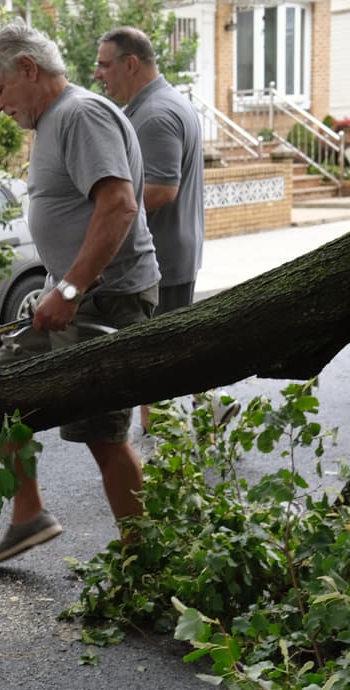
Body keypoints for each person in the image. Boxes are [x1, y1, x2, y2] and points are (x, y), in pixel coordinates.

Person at [0, 20, 159, 565]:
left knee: (102, 433)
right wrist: (61, 288)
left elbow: (119, 205)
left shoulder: (80, 115)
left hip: (108, 299)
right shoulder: (55, 121)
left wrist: (73, 288)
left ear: (28, 68)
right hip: (74, 296)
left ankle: (146, 557)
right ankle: (28, 513)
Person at [93, 27, 236, 436]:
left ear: (131, 63)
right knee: (169, 345)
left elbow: (161, 189)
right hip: (174, 250)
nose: (99, 74)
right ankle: (195, 414)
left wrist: (105, 209)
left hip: (163, 256)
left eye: (105, 65)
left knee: (160, 350)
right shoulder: (166, 103)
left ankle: (174, 427)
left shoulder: (155, 114)